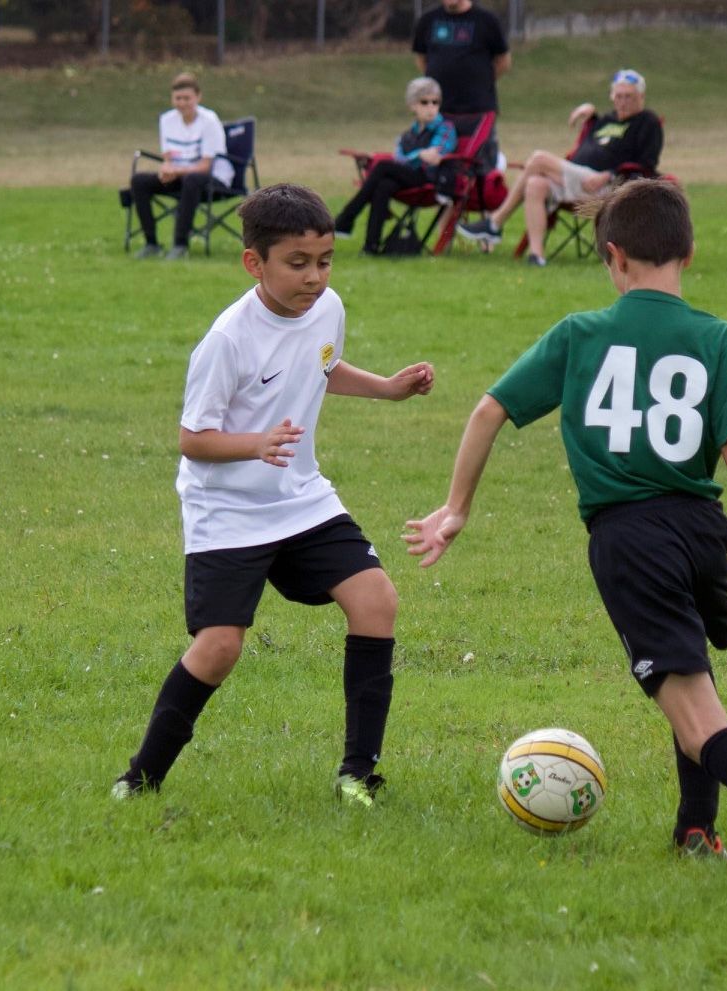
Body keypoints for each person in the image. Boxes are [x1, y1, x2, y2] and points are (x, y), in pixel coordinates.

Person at [406, 179, 727, 888]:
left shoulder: (578, 335)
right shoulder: (718, 337)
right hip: (702, 532)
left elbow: (488, 412)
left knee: (697, 719)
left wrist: (456, 508)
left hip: (630, 538)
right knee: (689, 666)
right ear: (688, 252)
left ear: (612, 257)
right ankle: (695, 828)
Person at [113, 183, 435, 808]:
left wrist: (387, 390)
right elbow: (192, 438)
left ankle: (356, 774)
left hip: (300, 497)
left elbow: (322, 365)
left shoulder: (329, 307)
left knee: (376, 601)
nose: (315, 277)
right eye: (297, 263)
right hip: (228, 509)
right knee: (220, 646)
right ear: (254, 263)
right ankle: (141, 778)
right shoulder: (228, 339)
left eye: (324, 261)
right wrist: (255, 444)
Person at [457, 69, 663, 268]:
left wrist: (609, 174)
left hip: (610, 186)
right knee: (535, 184)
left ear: (641, 97)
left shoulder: (648, 122)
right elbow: (595, 145)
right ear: (611, 96)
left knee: (538, 159)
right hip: (578, 179)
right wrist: (590, 116)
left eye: (629, 97)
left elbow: (646, 165)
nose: (623, 102)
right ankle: (536, 256)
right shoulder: (607, 121)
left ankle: (495, 222)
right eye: (618, 96)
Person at [334, 77, 458, 256]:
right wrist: (417, 155)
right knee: (383, 185)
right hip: (409, 178)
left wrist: (413, 157)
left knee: (384, 166)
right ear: (412, 105)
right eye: (424, 102)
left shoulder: (445, 128)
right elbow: (401, 158)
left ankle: (347, 217)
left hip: (431, 181)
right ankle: (371, 247)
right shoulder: (408, 134)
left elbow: (433, 156)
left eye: (435, 102)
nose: (431, 107)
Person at [130, 72, 235, 261]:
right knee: (139, 181)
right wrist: (166, 169)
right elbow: (169, 157)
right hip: (181, 177)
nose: (182, 103)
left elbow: (205, 166)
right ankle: (151, 243)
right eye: (178, 98)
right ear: (172, 99)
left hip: (212, 179)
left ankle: (180, 245)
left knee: (192, 179)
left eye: (187, 98)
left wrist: (176, 171)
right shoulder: (167, 120)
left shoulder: (210, 121)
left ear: (198, 97)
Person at [412, 0, 510, 168]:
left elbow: (504, 62)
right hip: (440, 110)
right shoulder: (428, 20)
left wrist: (479, 81)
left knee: (478, 164)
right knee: (438, 163)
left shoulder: (486, 21)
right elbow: (422, 59)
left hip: (478, 110)